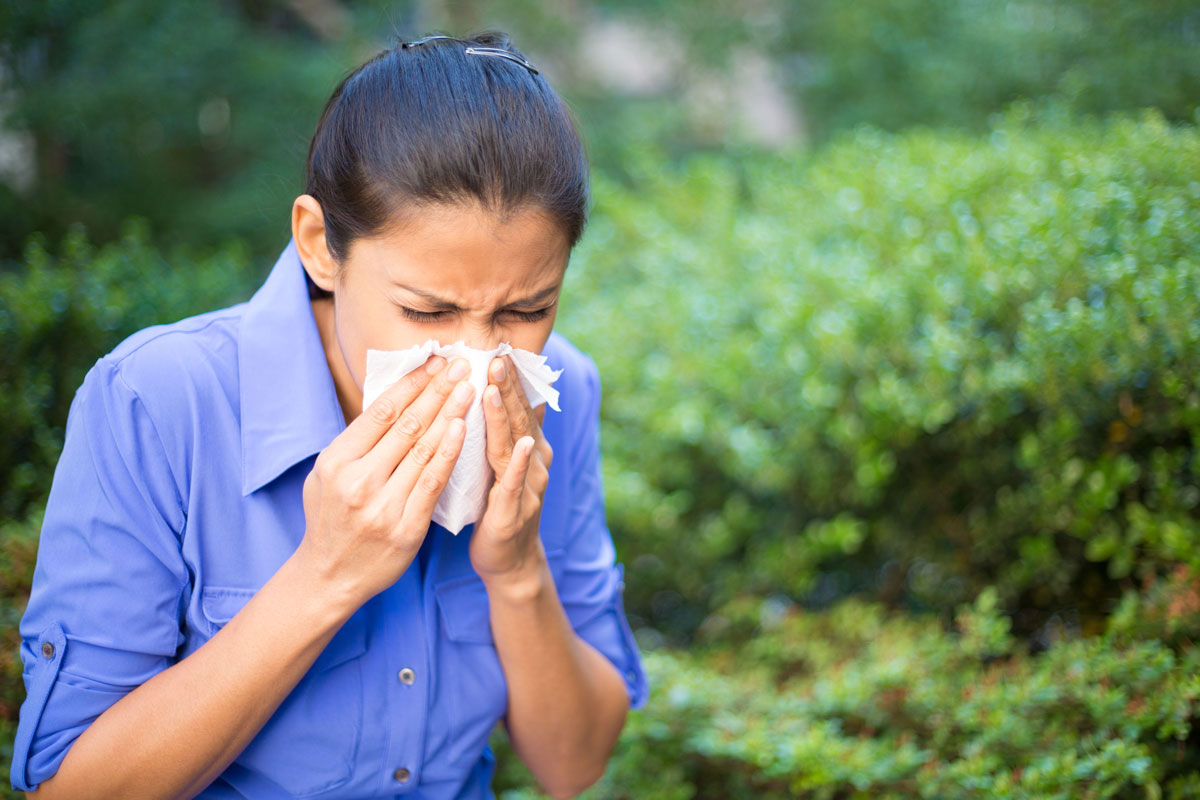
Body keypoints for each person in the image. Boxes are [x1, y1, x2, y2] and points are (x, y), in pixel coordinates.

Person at [10, 31, 648, 800]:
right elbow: (68, 789)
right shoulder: (158, 401)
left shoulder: (558, 392)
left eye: (527, 308)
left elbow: (573, 765)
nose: (476, 360)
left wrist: (516, 573)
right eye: (426, 310)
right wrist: (326, 575)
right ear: (319, 244)